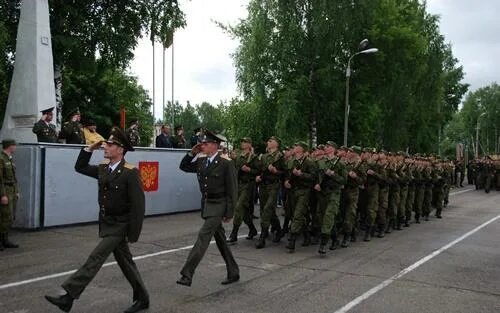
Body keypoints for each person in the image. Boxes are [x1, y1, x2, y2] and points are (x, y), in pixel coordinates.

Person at [45, 127, 149, 313]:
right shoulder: (103, 168)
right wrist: (88, 149)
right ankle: (143, 298)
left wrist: (133, 232)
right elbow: (80, 167)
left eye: (110, 144)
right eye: (106, 143)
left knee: (96, 257)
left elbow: (138, 205)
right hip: (107, 222)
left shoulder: (130, 172)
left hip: (120, 225)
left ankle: (69, 296)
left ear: (121, 149)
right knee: (126, 263)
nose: (105, 147)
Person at [177, 130, 239, 287]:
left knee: (203, 237)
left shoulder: (226, 163)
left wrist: (229, 212)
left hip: (219, 205)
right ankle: (233, 271)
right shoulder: (202, 160)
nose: (202, 146)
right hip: (207, 204)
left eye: (205, 144)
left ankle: (187, 273)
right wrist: (192, 153)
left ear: (215, 145)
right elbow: (183, 167)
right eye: (202, 143)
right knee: (221, 240)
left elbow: (232, 189)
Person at [227, 137, 259, 244]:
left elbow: (258, 170)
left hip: (248, 185)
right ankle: (252, 229)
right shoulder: (239, 156)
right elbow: (235, 167)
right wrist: (233, 159)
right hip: (238, 184)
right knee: (243, 210)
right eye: (242, 142)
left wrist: (250, 170)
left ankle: (234, 233)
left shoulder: (253, 157)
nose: (242, 143)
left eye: (245, 142)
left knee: (238, 207)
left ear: (250, 144)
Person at [0, 139, 20, 250]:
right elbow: (0, 179)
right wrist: (3, 195)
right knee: (4, 216)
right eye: (14, 145)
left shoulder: (10, 159)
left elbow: (14, 177)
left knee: (11, 216)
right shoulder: (1, 159)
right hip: (5, 189)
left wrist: (16, 190)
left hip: (11, 189)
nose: (15, 147)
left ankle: (5, 239)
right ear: (9, 146)